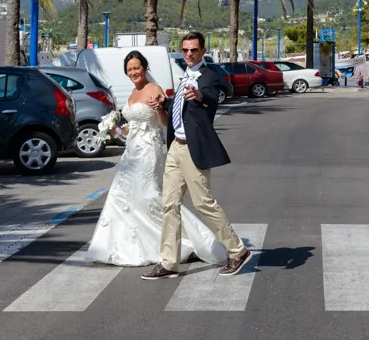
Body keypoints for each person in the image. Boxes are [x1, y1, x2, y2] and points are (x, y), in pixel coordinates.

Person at [87, 50, 226, 267]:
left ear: (144, 68)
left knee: (148, 195)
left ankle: (186, 242)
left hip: (149, 150)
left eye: (137, 68)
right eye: (130, 69)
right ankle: (126, 245)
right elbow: (133, 124)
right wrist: (116, 131)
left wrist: (160, 107)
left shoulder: (154, 89)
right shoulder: (133, 93)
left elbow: (164, 122)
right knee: (122, 195)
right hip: (131, 151)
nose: (133, 72)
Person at [143, 31, 251, 280]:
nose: (189, 54)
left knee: (202, 202)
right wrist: (164, 102)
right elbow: (180, 109)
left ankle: (237, 250)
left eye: (193, 50)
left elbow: (212, 98)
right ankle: (168, 262)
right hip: (175, 148)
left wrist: (201, 96)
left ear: (203, 51)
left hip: (194, 148)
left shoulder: (209, 76)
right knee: (169, 204)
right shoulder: (185, 77)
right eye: (185, 50)